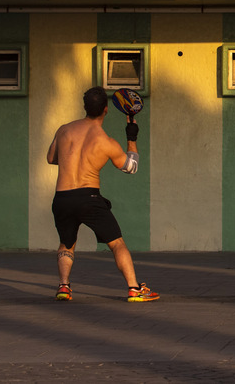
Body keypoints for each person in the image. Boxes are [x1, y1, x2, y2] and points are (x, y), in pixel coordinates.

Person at [46, 86, 159, 303]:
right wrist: (131, 138)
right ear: (106, 110)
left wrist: (72, 159)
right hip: (89, 198)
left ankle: (64, 287)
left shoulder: (63, 130)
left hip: (62, 198)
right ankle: (134, 289)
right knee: (117, 244)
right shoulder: (106, 141)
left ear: (84, 107)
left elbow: (51, 158)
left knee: (66, 244)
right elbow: (130, 167)